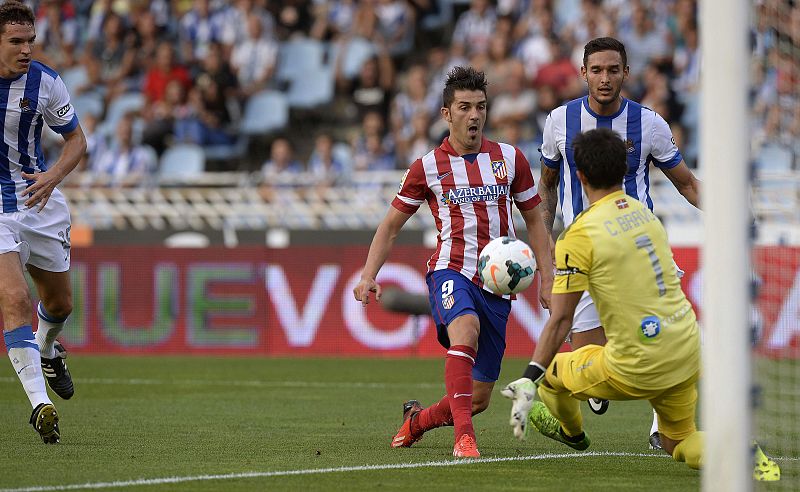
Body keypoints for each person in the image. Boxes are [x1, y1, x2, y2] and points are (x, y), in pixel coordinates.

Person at [500, 128, 779, 480]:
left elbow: (561, 320)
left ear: (580, 176)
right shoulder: (647, 217)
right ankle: (740, 452)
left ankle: (573, 434)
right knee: (678, 440)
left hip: (637, 363)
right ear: (624, 170)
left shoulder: (579, 235)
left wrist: (529, 377)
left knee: (552, 373)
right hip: (687, 348)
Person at [353, 66, 554, 458]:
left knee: (478, 398)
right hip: (451, 270)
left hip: (497, 285)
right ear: (447, 114)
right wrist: (368, 275)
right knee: (465, 330)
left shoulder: (510, 159)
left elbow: (534, 219)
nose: (474, 115)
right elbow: (391, 226)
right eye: (464, 107)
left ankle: (417, 421)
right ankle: (465, 439)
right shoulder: (427, 166)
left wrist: (547, 278)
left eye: (480, 106)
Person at [537, 37, 701, 449]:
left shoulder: (649, 124)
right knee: (586, 363)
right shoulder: (560, 121)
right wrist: (545, 253)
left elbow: (687, 184)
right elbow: (547, 187)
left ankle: (662, 427)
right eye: (596, 70)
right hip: (583, 253)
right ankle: (591, 396)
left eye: (613, 70)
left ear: (626, 73)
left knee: (661, 338)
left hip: (635, 248)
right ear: (583, 73)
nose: (605, 78)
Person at [0, 1, 87, 444]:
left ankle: (48, 348)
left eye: (30, 41)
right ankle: (40, 404)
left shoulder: (45, 82)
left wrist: (53, 176)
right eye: (16, 41)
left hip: (38, 197)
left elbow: (76, 140)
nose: (26, 49)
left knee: (60, 304)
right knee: (14, 297)